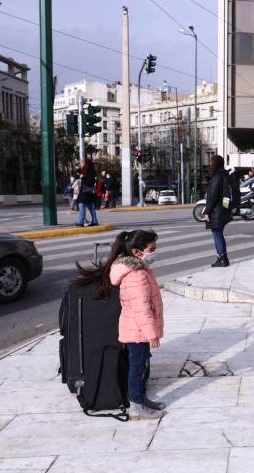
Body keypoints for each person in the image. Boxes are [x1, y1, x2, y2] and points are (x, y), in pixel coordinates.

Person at [69, 229, 165, 420]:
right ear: (137, 252)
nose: (155, 252)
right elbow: (142, 308)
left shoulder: (139, 269)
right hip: (137, 330)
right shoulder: (136, 275)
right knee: (137, 368)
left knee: (141, 366)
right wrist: (152, 334)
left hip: (136, 328)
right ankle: (137, 406)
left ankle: (141, 398)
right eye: (151, 249)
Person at [204, 156, 240, 267]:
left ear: (213, 164)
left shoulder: (216, 177)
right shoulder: (226, 175)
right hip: (225, 209)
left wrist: (207, 212)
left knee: (217, 234)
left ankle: (222, 258)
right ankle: (222, 258)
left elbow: (213, 197)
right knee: (219, 234)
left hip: (217, 211)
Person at [76, 160, 99, 227]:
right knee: (90, 207)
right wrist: (80, 168)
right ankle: (94, 221)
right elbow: (77, 173)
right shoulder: (86, 171)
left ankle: (80, 221)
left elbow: (89, 183)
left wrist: (82, 178)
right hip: (87, 193)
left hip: (85, 192)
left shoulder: (90, 172)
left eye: (83, 163)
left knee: (81, 206)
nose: (82, 164)